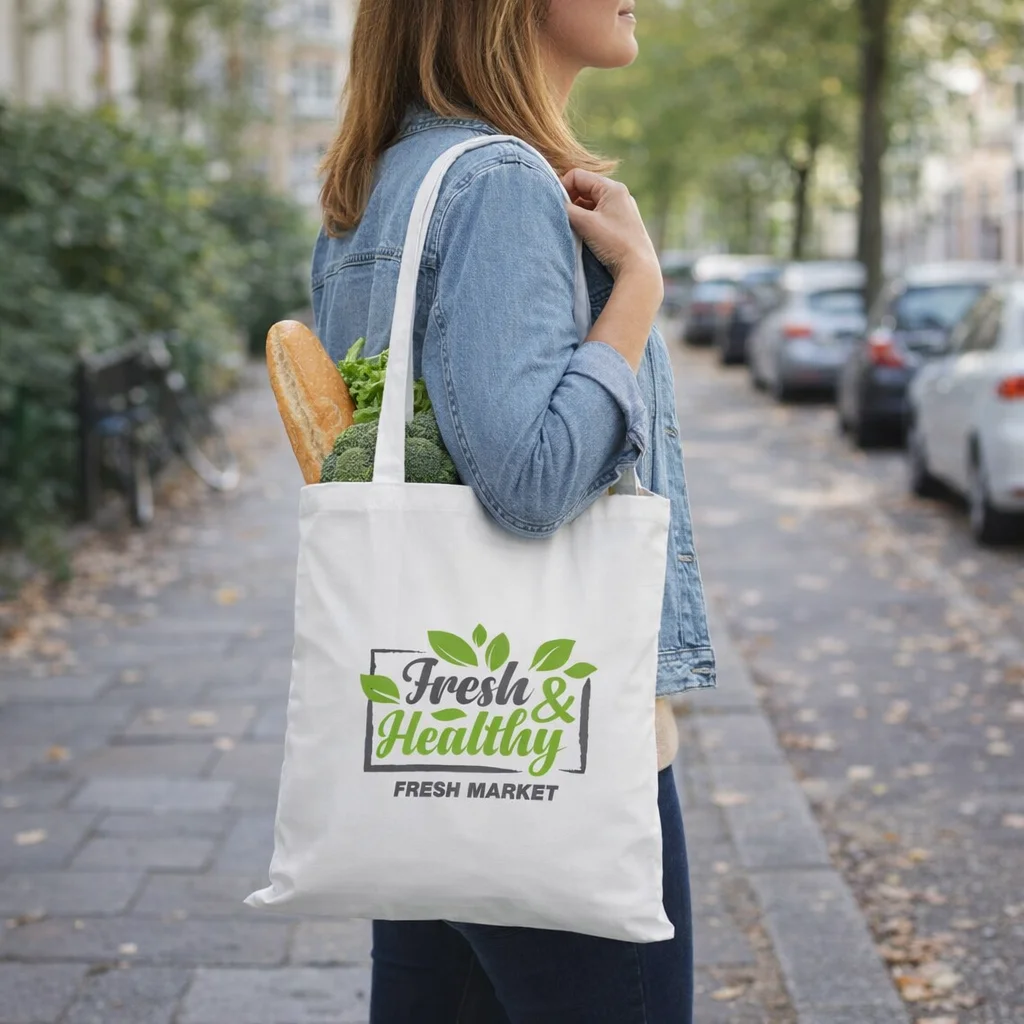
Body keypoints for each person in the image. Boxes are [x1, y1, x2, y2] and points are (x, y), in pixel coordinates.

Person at [311, 1, 715, 1020]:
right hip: (549, 740)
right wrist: (636, 288)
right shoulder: (499, 184)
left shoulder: (378, 187)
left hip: (423, 728)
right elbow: (532, 480)